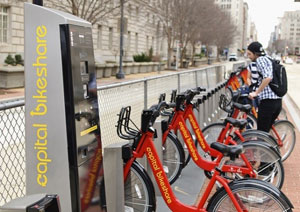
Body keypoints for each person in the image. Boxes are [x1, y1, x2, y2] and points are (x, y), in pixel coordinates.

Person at [247, 41, 282, 132]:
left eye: (250, 54)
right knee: (265, 132)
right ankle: (270, 145)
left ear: (255, 53)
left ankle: (264, 146)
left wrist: (256, 92)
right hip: (277, 101)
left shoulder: (260, 60)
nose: (249, 56)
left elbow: (268, 77)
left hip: (268, 103)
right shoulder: (268, 58)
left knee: (261, 133)